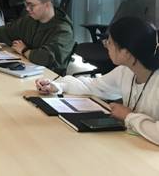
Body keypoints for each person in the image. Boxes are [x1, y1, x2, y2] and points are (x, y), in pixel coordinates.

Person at [36, 16, 159, 146]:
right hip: (135, 143)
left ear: (126, 52)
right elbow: (93, 86)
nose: (106, 46)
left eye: (110, 42)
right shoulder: (126, 71)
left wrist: (128, 116)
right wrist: (58, 86)